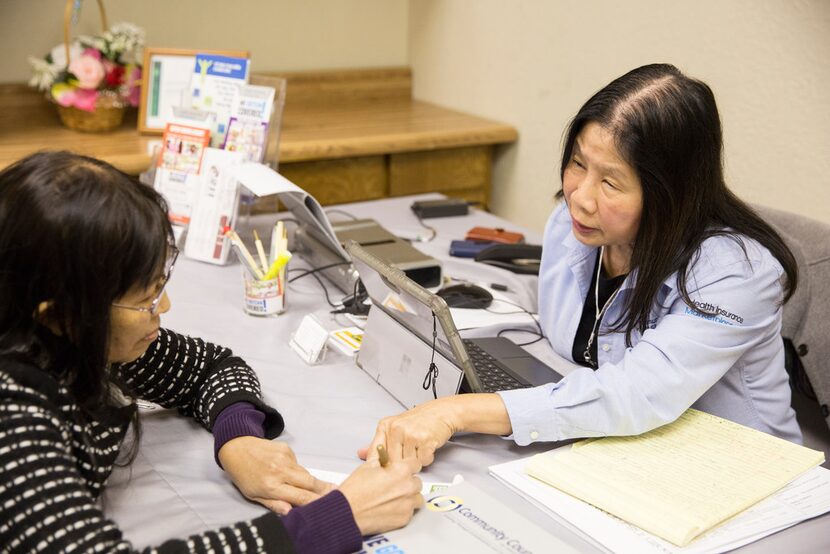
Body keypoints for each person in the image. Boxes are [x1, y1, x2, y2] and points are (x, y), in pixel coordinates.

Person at [362, 63, 802, 467]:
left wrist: (459, 412)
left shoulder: (735, 273)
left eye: (610, 182)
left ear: (671, 193)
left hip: (737, 471)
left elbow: (639, 392)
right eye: (577, 164)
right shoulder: (572, 226)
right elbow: (558, 339)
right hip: (632, 452)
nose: (580, 197)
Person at [0, 151, 423, 553]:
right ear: (61, 314)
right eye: (146, 299)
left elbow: (210, 367)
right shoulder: (14, 418)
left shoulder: (71, 338)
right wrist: (338, 519)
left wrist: (238, 440)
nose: (163, 309)